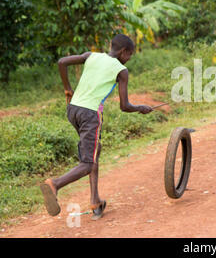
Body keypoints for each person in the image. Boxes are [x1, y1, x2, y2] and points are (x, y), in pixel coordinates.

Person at [40, 34, 153, 219]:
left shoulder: (90, 56)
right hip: (90, 115)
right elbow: (124, 106)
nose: (129, 59)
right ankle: (55, 184)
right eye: (130, 55)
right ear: (124, 52)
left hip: (73, 110)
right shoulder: (121, 70)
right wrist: (141, 108)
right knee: (87, 163)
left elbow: (62, 62)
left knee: (95, 150)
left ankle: (95, 200)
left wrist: (68, 88)